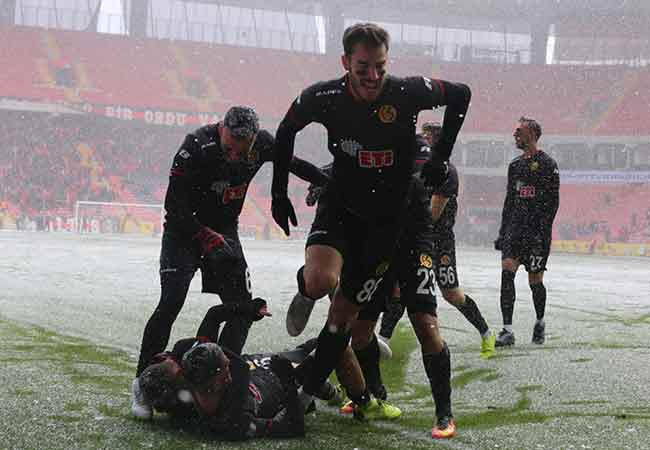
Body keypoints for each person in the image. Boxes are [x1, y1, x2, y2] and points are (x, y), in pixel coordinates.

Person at [271, 23, 470, 439]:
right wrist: (277, 193)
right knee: (331, 298)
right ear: (346, 63)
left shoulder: (407, 91)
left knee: (383, 320)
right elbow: (285, 130)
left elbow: (460, 94)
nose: (373, 76)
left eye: (380, 66)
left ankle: (442, 413)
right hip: (344, 209)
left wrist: (442, 157)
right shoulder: (323, 96)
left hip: (390, 224)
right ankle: (307, 395)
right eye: (363, 67)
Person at [132, 106, 328, 418]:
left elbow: (293, 164)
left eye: (243, 152)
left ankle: (220, 380)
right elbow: (173, 206)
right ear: (221, 128)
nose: (235, 158)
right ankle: (142, 386)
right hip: (184, 232)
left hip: (225, 233)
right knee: (170, 303)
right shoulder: (195, 146)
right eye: (229, 150)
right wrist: (202, 234)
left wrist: (327, 180)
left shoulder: (262, 143)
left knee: (243, 308)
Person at [379, 123, 496, 360]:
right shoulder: (415, 168)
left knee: (452, 295)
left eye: (427, 139)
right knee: (400, 289)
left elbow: (431, 215)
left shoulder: (447, 172)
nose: (422, 144)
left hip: (438, 242)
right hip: (415, 239)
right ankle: (382, 341)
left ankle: (486, 332)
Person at [494, 117, 560, 346]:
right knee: (507, 272)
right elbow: (509, 201)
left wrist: (542, 233)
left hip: (537, 234)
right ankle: (507, 330)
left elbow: (553, 203)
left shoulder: (548, 164)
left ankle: (540, 321)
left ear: (532, 133)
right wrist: (503, 232)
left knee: (535, 281)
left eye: (519, 131)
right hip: (515, 230)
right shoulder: (515, 165)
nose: (515, 135)